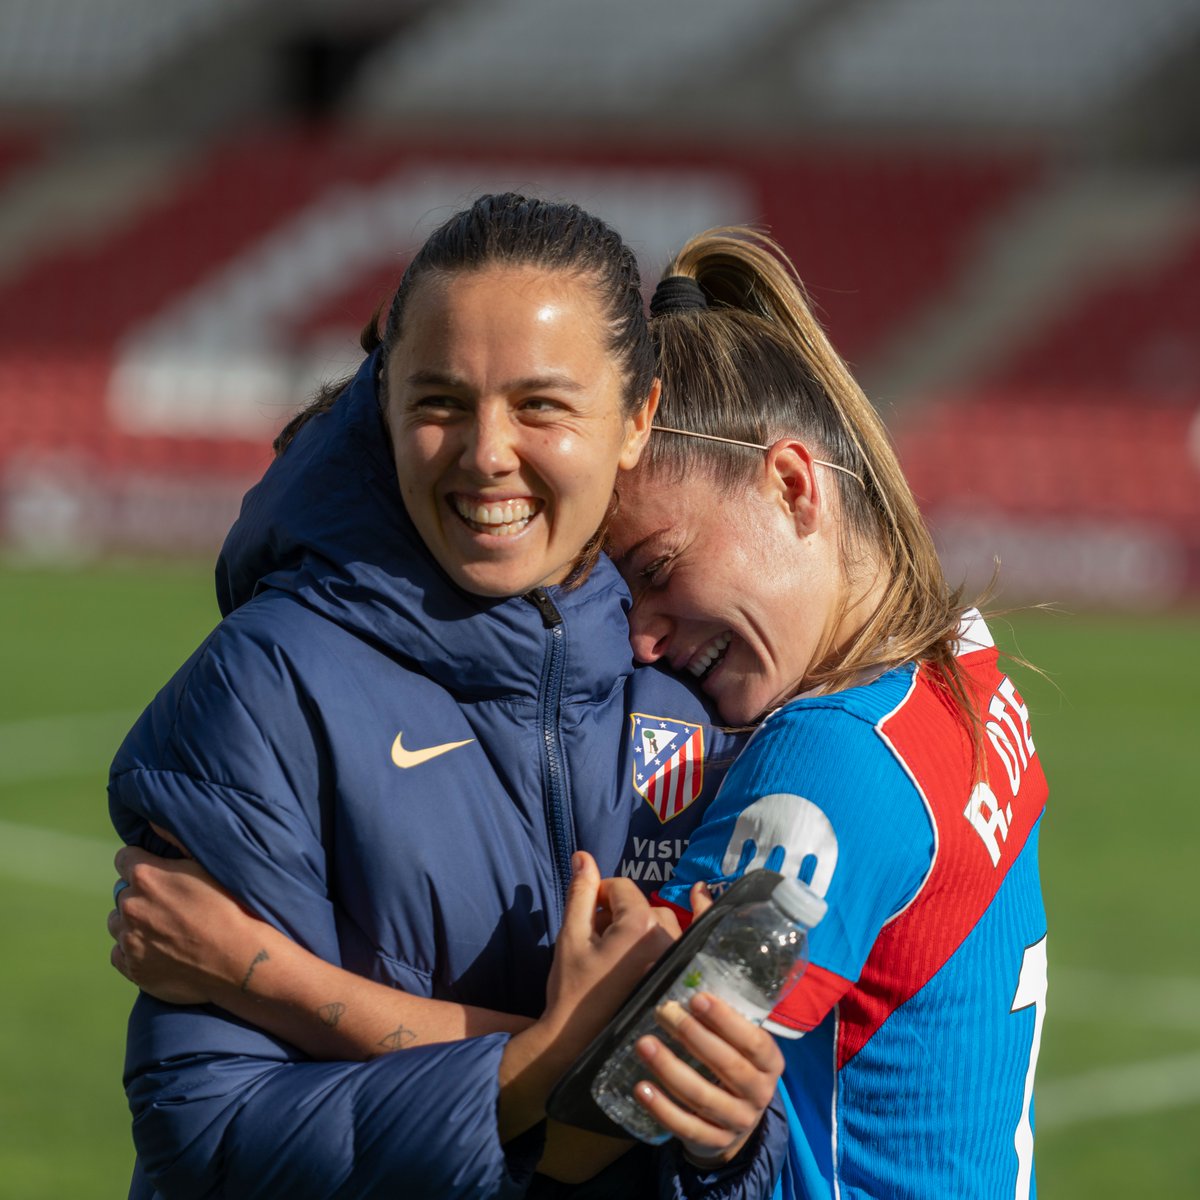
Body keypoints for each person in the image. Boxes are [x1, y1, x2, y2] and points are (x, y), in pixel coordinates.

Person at [105, 195, 788, 1200]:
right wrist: (538, 1069)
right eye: (439, 403)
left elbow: (695, 1139)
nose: (486, 453)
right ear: (384, 406)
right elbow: (207, 1129)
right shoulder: (269, 683)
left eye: (541, 405)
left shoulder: (691, 697)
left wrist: (725, 1138)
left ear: (637, 418)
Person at [610, 230, 1049, 1198]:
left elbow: (625, 1090)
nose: (640, 641)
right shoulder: (958, 662)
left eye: (655, 571)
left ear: (793, 485)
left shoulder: (831, 765)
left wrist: (259, 974)